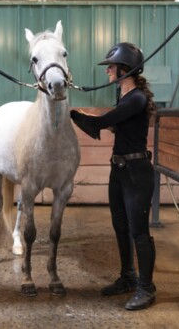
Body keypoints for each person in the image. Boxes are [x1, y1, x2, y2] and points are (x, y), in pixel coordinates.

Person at [70, 42, 157, 310]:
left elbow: (104, 122)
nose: (107, 70)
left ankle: (147, 288)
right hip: (119, 170)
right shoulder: (123, 98)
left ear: (125, 69)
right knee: (120, 226)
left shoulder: (136, 99)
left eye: (111, 66)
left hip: (136, 172)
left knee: (139, 231)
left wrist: (78, 115)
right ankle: (128, 277)